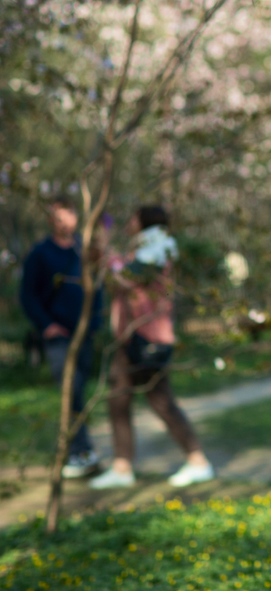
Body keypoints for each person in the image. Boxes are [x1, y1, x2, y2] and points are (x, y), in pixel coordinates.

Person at [90, 206, 214, 489]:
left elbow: (129, 278)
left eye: (133, 218)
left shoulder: (157, 248)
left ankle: (198, 461)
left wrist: (108, 257)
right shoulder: (145, 249)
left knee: (160, 401)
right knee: (119, 400)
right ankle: (122, 467)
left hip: (149, 336)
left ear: (145, 221)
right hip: (131, 336)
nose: (129, 222)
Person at [19, 196, 103, 478]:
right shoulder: (40, 253)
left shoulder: (84, 249)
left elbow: (97, 287)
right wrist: (46, 325)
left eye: (68, 213)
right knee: (72, 389)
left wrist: (95, 322)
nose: (63, 220)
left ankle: (81, 451)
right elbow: (27, 295)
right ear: (50, 220)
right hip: (59, 336)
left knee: (80, 389)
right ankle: (79, 452)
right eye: (57, 215)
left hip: (85, 334)